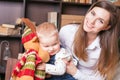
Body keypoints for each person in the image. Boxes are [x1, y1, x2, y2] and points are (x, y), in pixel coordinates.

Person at [59, 0, 120, 80]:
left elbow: (99, 79)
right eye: (93, 13)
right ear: (89, 11)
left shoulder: (107, 50)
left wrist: (75, 72)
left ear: (106, 27)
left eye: (100, 21)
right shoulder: (66, 31)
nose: (91, 21)